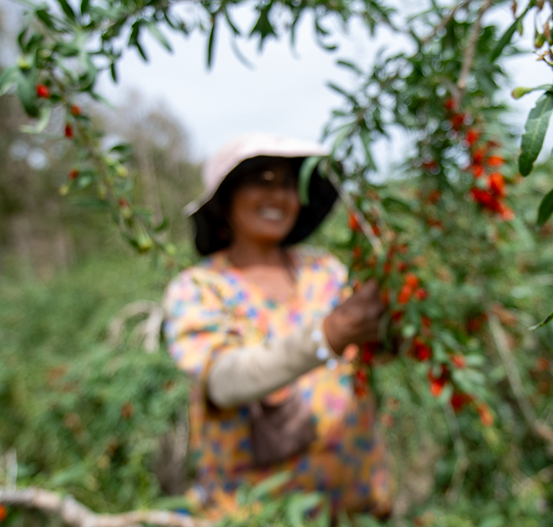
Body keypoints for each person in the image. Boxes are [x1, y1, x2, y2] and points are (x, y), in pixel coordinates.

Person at [161, 133, 393, 519]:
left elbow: (368, 350)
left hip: (356, 505)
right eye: (262, 182)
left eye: (288, 185)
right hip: (259, 513)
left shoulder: (326, 272)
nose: (278, 196)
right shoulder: (201, 288)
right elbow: (225, 380)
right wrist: (328, 335)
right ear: (227, 199)